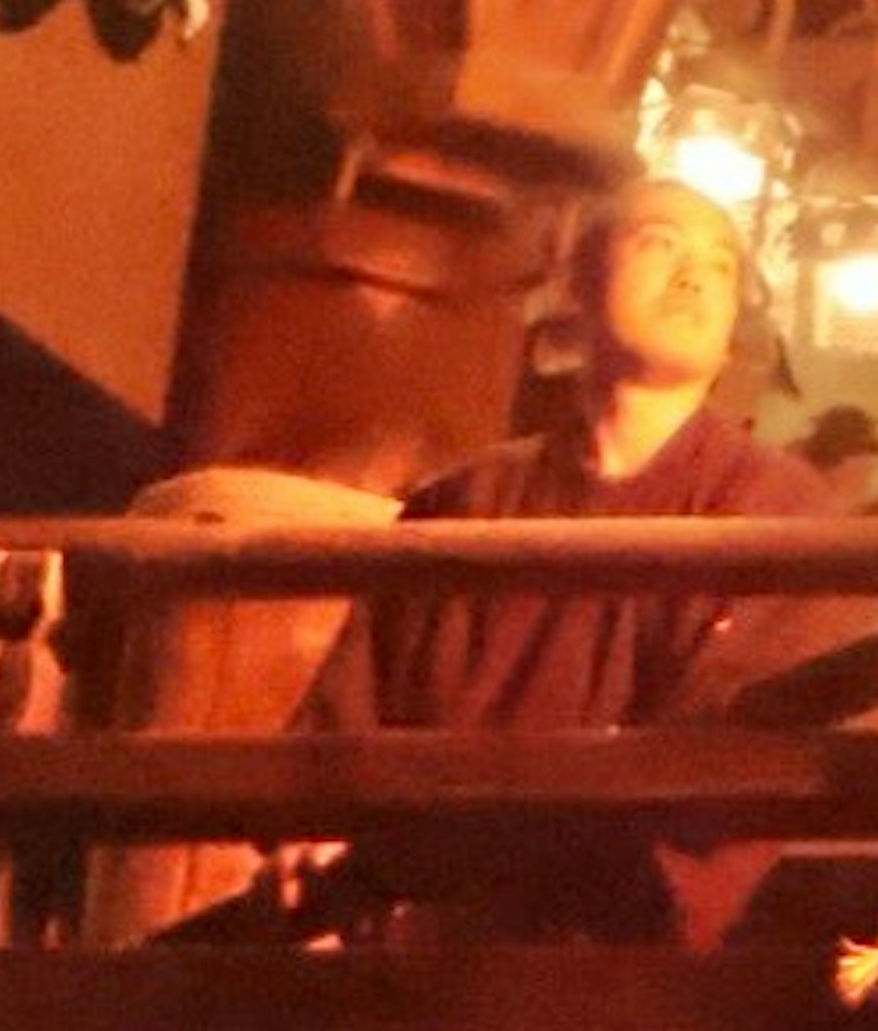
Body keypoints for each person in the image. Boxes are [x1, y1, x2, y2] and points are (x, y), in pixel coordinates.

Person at [299, 172, 841, 937]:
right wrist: (325, 843)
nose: (694, 275)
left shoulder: (774, 507)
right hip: (410, 928)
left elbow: (722, 769)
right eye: (660, 244)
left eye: (721, 264)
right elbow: (345, 726)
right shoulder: (462, 503)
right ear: (582, 288)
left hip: (608, 941)